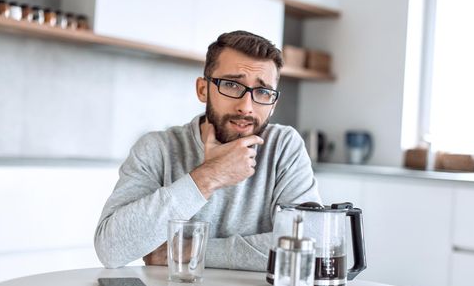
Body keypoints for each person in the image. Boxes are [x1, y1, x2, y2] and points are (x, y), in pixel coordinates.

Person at [94, 30, 321, 271]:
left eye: (263, 92)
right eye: (232, 85)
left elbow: (310, 247)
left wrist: (188, 251)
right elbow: (110, 250)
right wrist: (209, 177)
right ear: (203, 89)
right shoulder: (158, 149)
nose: (246, 106)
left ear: (273, 104)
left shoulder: (284, 146)